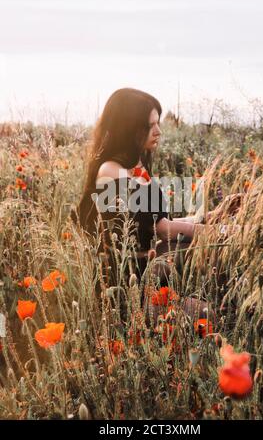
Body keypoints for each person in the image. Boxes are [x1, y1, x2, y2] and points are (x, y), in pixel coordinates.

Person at [70, 87, 241, 323]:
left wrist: (213, 216)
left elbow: (156, 223)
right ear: (128, 128)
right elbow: (160, 229)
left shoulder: (135, 166)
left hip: (146, 269)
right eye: (149, 126)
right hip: (127, 288)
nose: (158, 131)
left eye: (157, 123)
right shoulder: (111, 170)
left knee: (207, 260)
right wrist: (217, 231)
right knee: (208, 314)